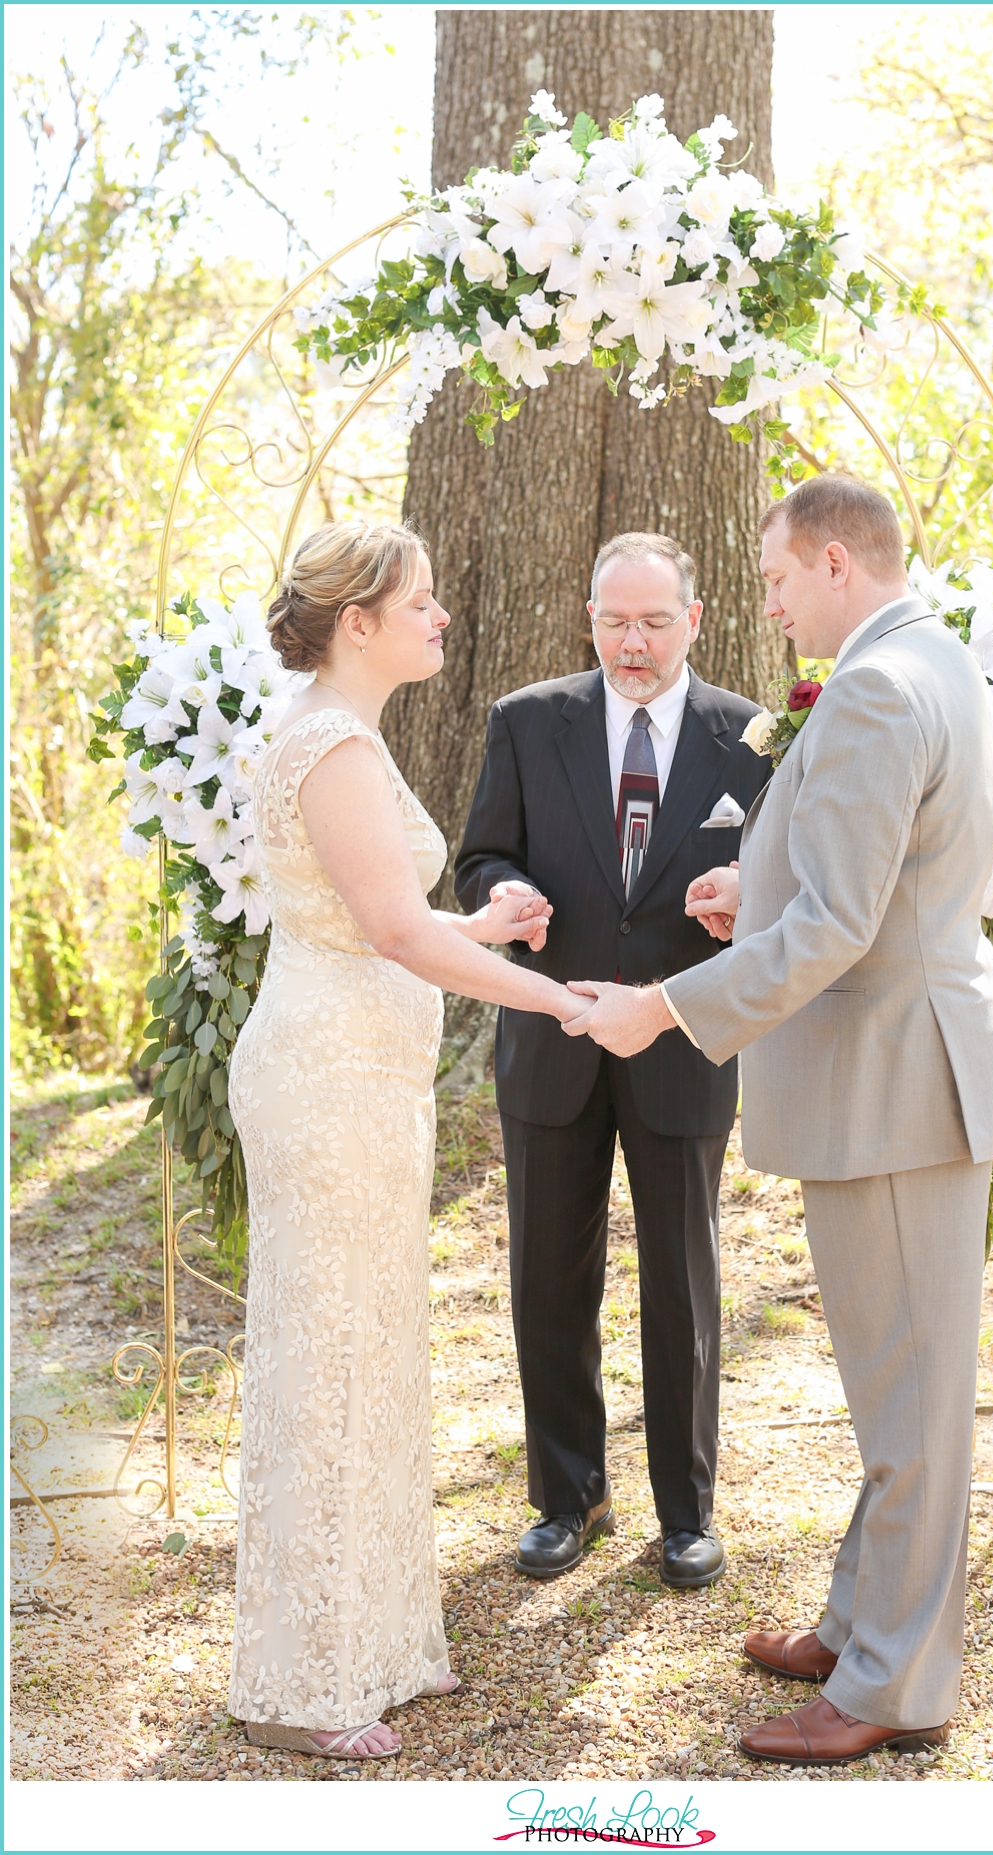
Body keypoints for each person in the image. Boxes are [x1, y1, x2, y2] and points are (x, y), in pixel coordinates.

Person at [566, 476, 993, 1766]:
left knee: (915, 1403)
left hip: (898, 1089)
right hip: (900, 1072)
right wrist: (750, 888)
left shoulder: (878, 687)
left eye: (772, 581)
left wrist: (660, 1005)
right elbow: (867, 883)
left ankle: (892, 1686)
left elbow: (838, 930)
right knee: (896, 1388)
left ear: (834, 561)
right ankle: (860, 1622)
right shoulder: (932, 657)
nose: (766, 606)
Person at [227, 519, 586, 1761]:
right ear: (358, 622)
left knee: (372, 1347)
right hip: (325, 1085)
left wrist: (483, 925)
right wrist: (558, 997)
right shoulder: (327, 742)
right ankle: (303, 1678)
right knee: (327, 1355)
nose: (441, 618)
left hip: (366, 1081)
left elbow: (382, 911)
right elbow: (385, 930)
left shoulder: (347, 736)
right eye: (420, 601)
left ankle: (376, 1639)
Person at [454, 533, 772, 1587]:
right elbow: (483, 854)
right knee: (548, 1275)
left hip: (683, 1035)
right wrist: (506, 901)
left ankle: (687, 1512)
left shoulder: (754, 738)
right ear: (588, 617)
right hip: (552, 1032)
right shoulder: (526, 720)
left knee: (682, 1278)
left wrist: (744, 906)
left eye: (652, 621)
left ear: (696, 618)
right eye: (612, 621)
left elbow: (783, 876)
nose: (631, 643)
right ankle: (567, 1496)